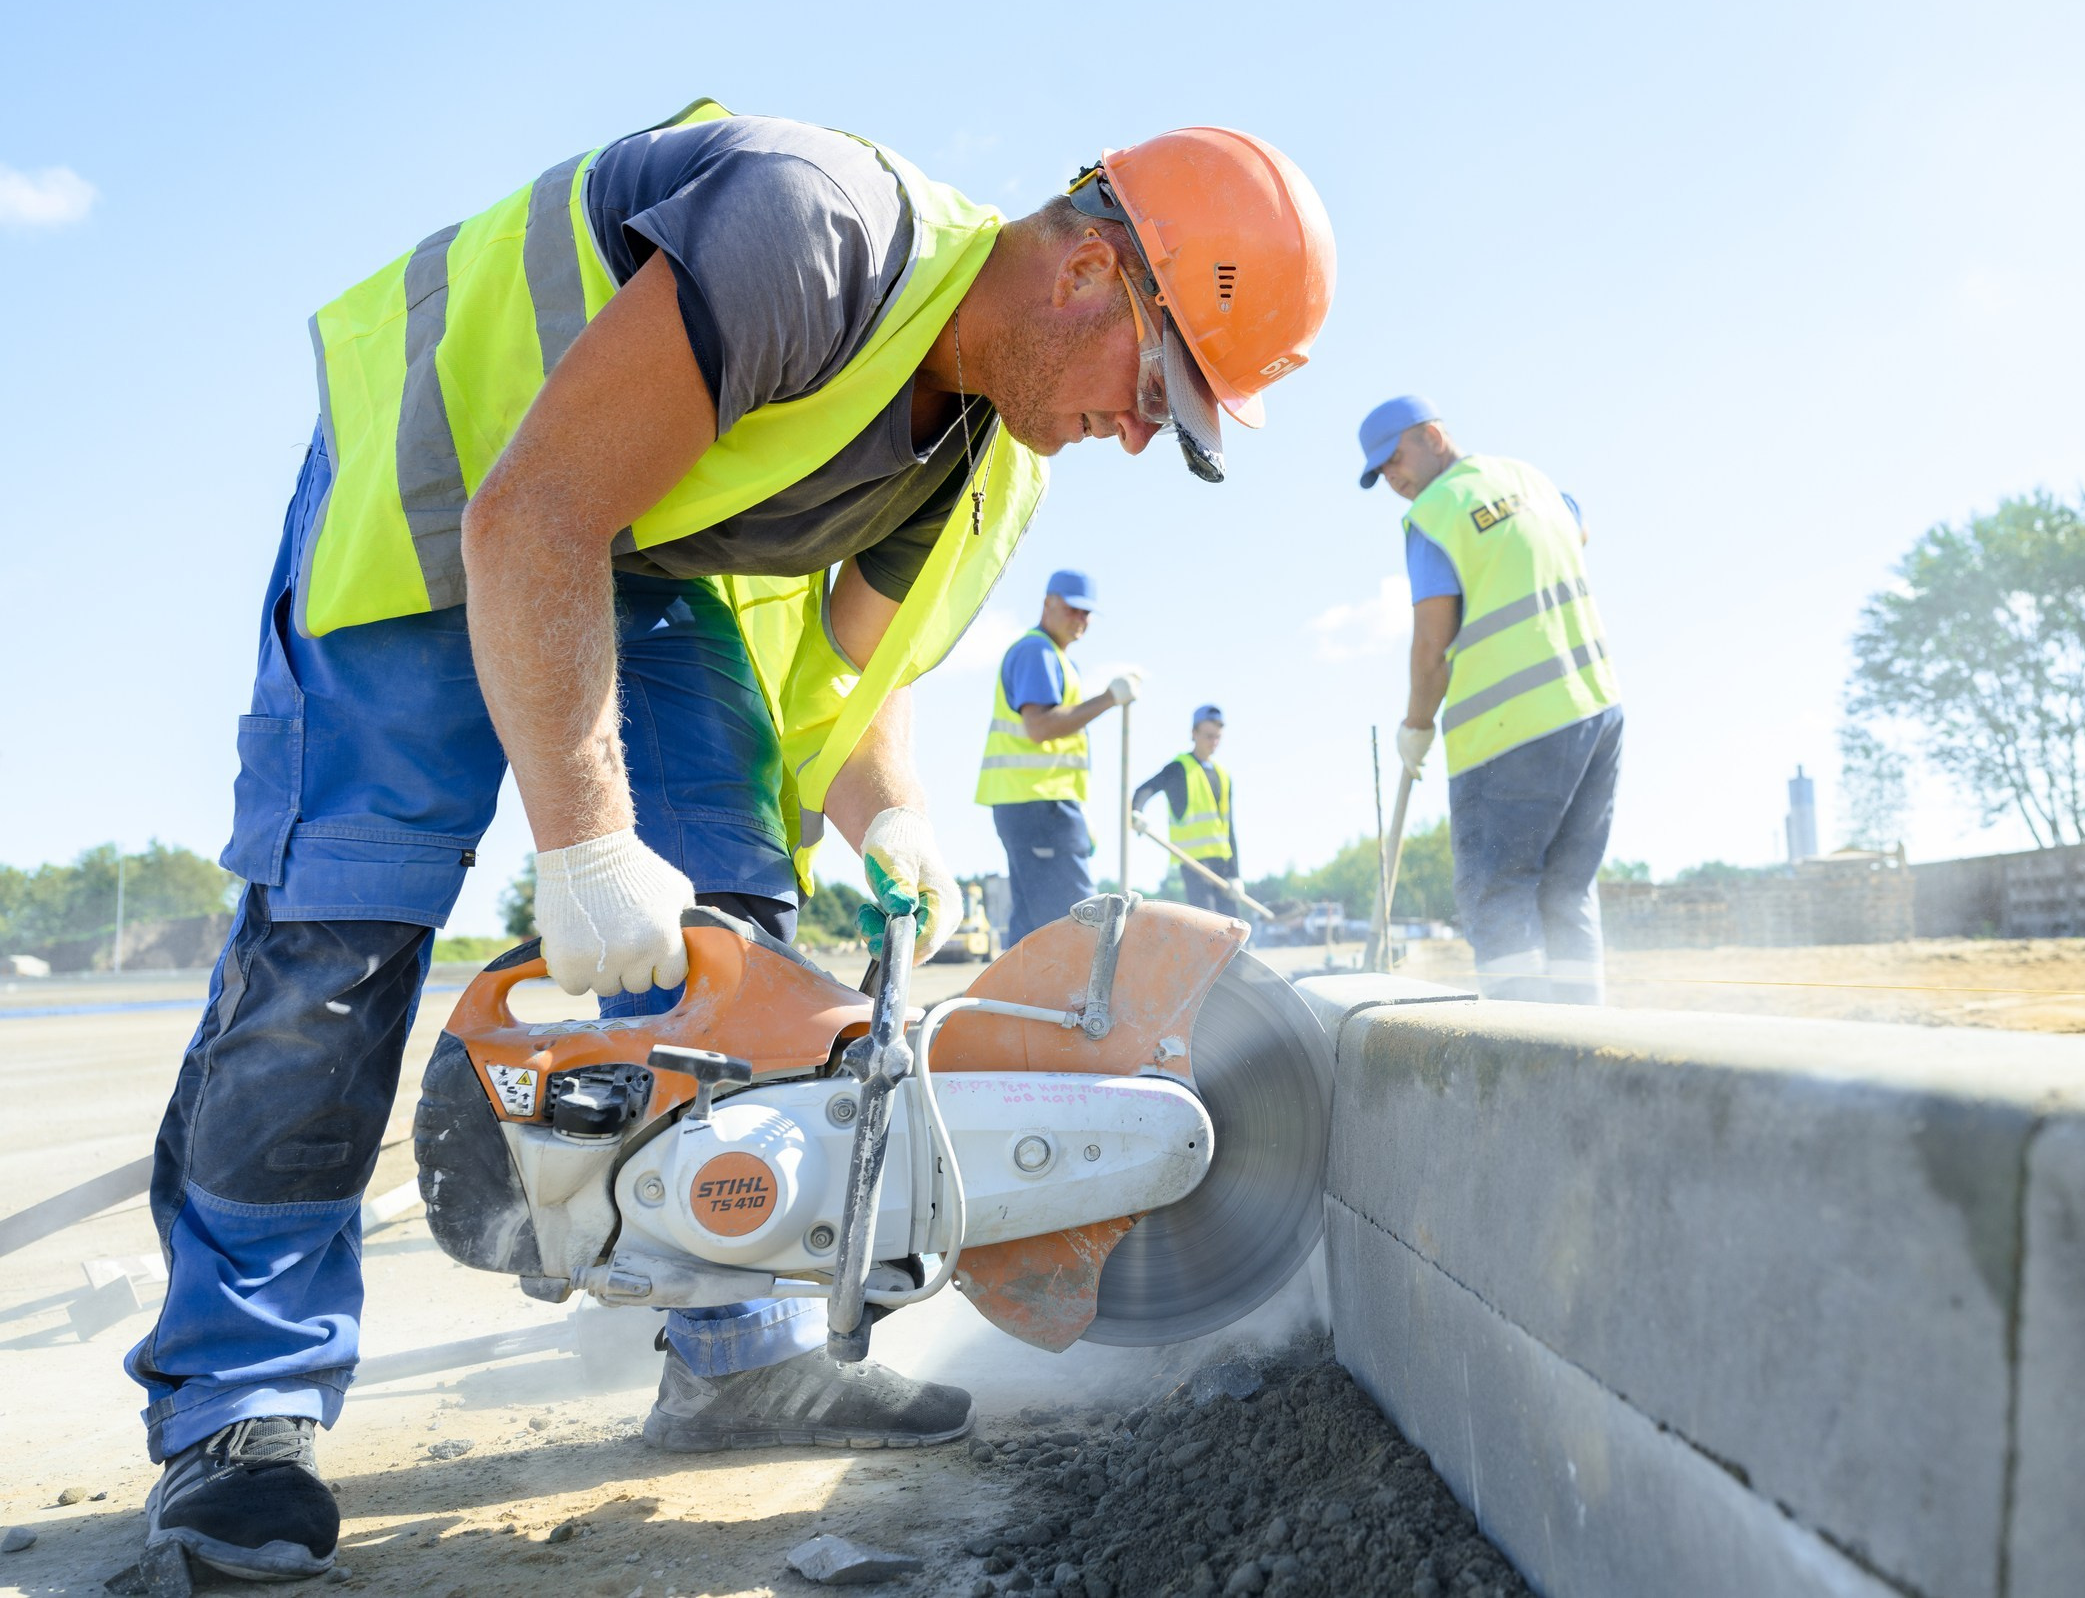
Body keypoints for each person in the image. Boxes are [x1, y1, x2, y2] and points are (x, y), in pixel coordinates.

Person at [131, 101, 1334, 1584]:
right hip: (442, 476)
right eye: (1159, 385)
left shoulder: (997, 455)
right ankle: (239, 1407)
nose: (1144, 433)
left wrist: (892, 814)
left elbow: (850, 683)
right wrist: (583, 845)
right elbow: (532, 515)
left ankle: (734, 1349)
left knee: (735, 923)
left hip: (636, 546)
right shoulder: (813, 229)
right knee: (339, 936)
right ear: (1092, 269)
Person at [1358, 395, 1621, 1006]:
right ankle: (1585, 1038)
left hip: (1510, 729)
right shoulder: (1532, 480)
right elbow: (1578, 529)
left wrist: (1416, 725)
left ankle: (1517, 1045)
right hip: (1595, 710)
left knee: (1496, 891)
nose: (1392, 477)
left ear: (1432, 436)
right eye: (1380, 472)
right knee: (1567, 891)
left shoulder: (1434, 514)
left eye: (1394, 459)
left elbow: (1432, 646)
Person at [977, 570, 1137, 942]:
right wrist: (1108, 699)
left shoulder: (1054, 658)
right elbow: (1040, 727)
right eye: (1072, 608)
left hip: (1036, 805)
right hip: (1039, 804)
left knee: (1035, 930)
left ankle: (1019, 983)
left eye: (1087, 612)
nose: (1080, 618)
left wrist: (1076, 812)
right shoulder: (1037, 652)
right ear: (1048, 603)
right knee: (1077, 929)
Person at [1135, 704, 1243, 918]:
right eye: (1209, 736)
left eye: (1218, 737)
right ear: (1194, 733)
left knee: (1234, 925)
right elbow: (1145, 789)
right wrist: (1136, 811)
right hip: (1194, 863)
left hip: (1222, 865)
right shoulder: (1179, 768)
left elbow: (1229, 828)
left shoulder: (1223, 775)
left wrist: (1235, 874)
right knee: (1209, 922)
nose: (1214, 742)